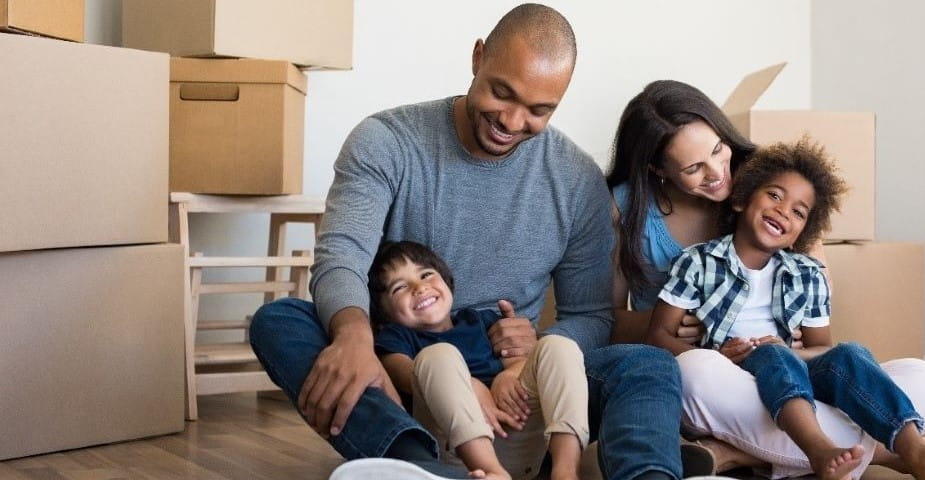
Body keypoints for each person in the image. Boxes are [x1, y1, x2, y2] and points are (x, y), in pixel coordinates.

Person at [250, 5, 691, 480]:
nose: (512, 121)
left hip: (520, 395)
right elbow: (342, 256)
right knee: (281, 321)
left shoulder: (578, 180)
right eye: (502, 92)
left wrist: (535, 349)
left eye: (539, 110)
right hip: (407, 377)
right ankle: (415, 459)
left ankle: (643, 475)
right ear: (478, 57)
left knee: (647, 364)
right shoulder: (386, 141)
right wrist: (353, 336)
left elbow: (590, 315)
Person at [606, 80, 925, 479]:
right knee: (696, 371)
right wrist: (691, 328)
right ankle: (891, 454)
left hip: (792, 373)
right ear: (658, 169)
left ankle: (736, 454)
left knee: (921, 377)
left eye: (718, 150)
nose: (719, 172)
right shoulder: (661, 234)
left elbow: (818, 333)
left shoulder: (772, 185)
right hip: (716, 376)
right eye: (693, 168)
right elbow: (613, 322)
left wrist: (798, 345)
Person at [367, 241, 588, 480]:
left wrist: (509, 374)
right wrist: (469, 385)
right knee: (437, 355)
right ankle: (493, 472)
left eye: (426, 275)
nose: (419, 287)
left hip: (516, 429)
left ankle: (566, 470)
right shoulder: (396, 338)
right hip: (459, 450)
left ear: (447, 281)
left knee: (558, 345)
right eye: (399, 287)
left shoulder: (478, 320)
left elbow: (518, 359)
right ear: (383, 312)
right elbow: (404, 373)